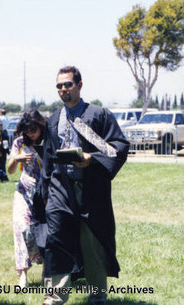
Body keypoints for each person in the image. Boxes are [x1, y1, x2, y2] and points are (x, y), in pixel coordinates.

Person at [40, 66, 129, 305]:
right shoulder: (53, 119)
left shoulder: (98, 115)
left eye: (67, 84)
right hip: (60, 188)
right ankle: (54, 296)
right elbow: (48, 157)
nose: (63, 90)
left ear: (79, 85)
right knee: (56, 240)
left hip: (90, 189)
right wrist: (44, 190)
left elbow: (118, 147)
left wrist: (92, 159)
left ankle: (97, 296)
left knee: (93, 243)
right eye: (59, 86)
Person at [7, 110, 46, 288]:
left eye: (33, 129)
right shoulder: (19, 143)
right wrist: (17, 158)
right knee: (22, 228)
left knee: (44, 231)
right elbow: (10, 170)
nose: (30, 133)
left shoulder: (48, 142)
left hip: (45, 194)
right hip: (23, 193)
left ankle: (48, 269)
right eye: (27, 129)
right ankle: (23, 274)